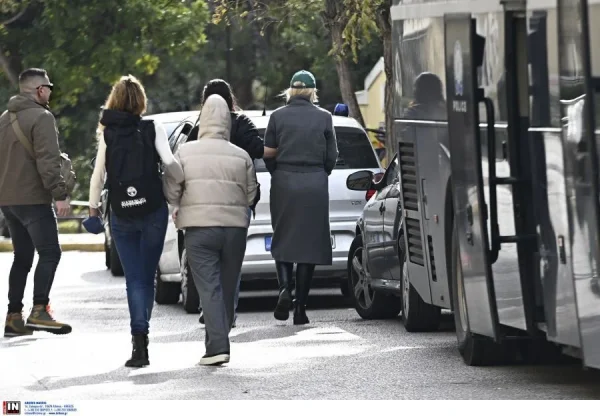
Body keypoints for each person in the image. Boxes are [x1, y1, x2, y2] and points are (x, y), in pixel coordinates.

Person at [88, 75, 183, 368]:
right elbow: (170, 164)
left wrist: (92, 209)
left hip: (122, 216)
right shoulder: (152, 126)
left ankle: (138, 342)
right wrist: (180, 186)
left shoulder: (108, 133)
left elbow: (97, 176)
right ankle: (143, 334)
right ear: (141, 101)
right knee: (148, 275)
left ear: (114, 100)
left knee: (134, 280)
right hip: (152, 211)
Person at [164, 94, 258, 366]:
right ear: (227, 120)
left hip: (198, 229)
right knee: (228, 286)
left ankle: (217, 345)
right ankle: (220, 335)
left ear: (202, 119)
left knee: (209, 287)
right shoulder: (241, 155)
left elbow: (172, 188)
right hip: (235, 230)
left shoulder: (184, 152)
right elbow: (251, 194)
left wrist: (177, 202)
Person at [189, 79, 276, 326]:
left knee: (207, 262)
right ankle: (228, 313)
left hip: (204, 202)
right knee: (231, 263)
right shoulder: (241, 123)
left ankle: (210, 309)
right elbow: (258, 150)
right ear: (230, 99)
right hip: (238, 203)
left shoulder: (199, 129)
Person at [0, 68, 73, 337]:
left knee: (22, 258)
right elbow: (47, 159)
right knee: (51, 253)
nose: (51, 92)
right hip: (33, 199)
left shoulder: (4, 118)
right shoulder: (42, 117)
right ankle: (40, 310)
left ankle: (13, 317)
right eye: (49, 87)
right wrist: (60, 194)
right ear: (40, 90)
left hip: (8, 201)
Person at [264, 70, 338, 325]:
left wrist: (281, 173)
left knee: (283, 236)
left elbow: (268, 155)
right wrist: (318, 173)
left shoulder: (276, 117)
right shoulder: (325, 118)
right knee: (308, 245)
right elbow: (332, 156)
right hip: (314, 184)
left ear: (291, 91)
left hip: (284, 182)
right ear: (312, 92)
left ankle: (285, 288)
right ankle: (300, 310)